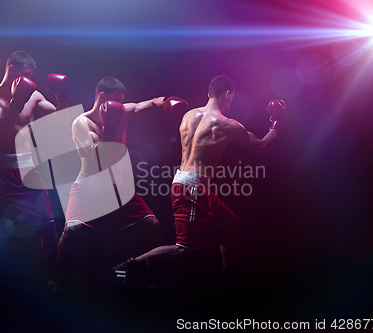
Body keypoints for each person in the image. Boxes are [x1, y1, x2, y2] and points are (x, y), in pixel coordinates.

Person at [113, 75, 285, 291]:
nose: (230, 103)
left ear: (208, 93)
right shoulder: (228, 125)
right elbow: (262, 147)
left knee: (231, 223)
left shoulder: (187, 115)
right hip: (193, 189)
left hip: (184, 184)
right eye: (231, 98)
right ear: (228, 94)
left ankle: (228, 279)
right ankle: (128, 266)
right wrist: (276, 122)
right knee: (183, 249)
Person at [58, 77, 185, 286]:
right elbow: (98, 160)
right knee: (71, 231)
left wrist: (167, 102)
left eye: (121, 101)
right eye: (116, 100)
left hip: (117, 187)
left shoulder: (123, 112)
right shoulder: (81, 123)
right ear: (102, 98)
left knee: (152, 224)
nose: (120, 106)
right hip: (88, 186)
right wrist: (109, 128)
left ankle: (147, 274)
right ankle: (60, 278)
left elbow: (151, 103)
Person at [0, 50, 69, 288]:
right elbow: (2, 129)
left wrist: (62, 97)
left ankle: (56, 275)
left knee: (47, 223)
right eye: (22, 75)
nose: (25, 82)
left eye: (30, 76)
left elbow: (61, 121)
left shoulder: (34, 95)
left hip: (26, 169)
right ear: (10, 69)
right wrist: (16, 101)